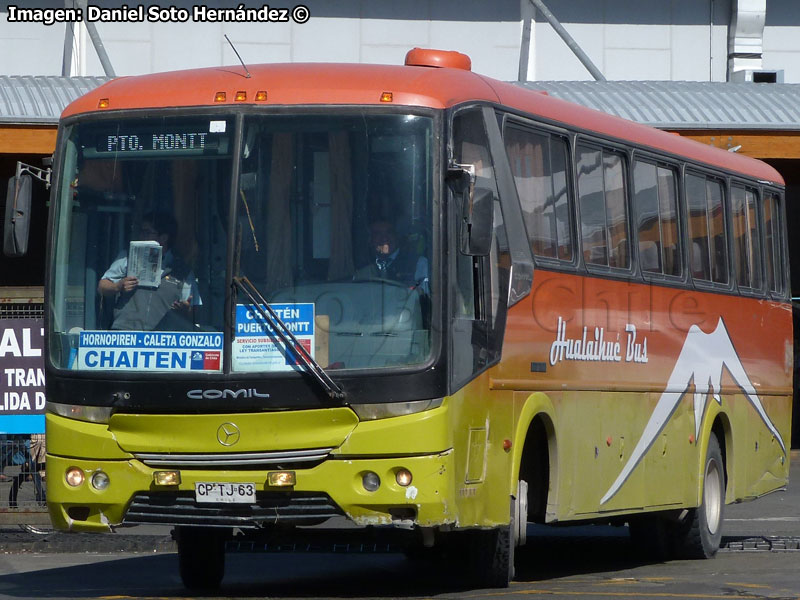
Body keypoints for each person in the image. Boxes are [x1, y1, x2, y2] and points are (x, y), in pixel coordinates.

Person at [98, 212, 201, 331]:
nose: (141, 236)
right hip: (125, 333)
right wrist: (118, 286)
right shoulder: (127, 257)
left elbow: (194, 309)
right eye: (141, 231)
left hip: (162, 338)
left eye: (147, 232)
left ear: (164, 238)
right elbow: (102, 286)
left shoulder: (182, 271)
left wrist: (185, 310)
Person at [355, 219, 429, 293]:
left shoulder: (418, 263)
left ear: (396, 237)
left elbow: (424, 296)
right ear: (370, 240)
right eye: (377, 234)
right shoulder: (362, 269)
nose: (384, 238)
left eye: (389, 233)